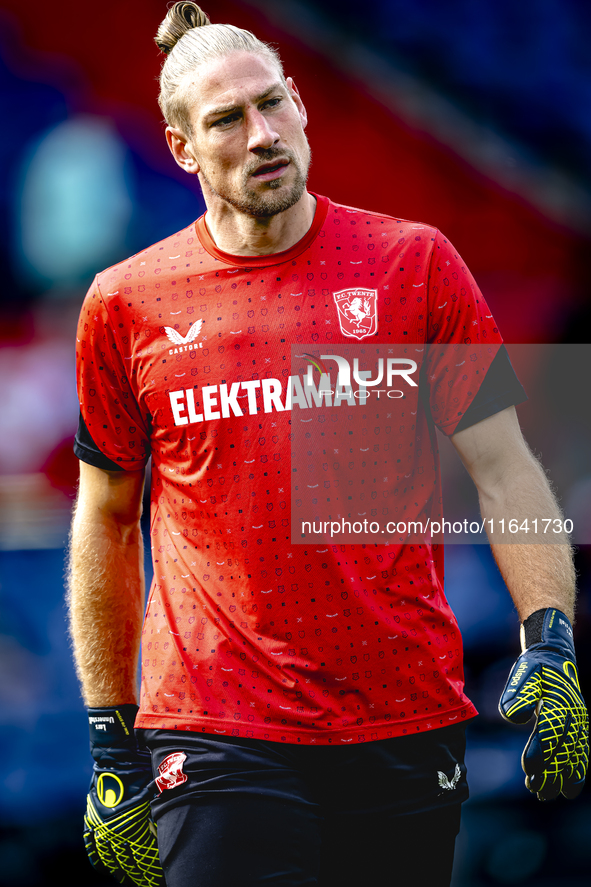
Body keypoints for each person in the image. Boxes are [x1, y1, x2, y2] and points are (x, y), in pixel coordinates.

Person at [68, 4, 588, 887]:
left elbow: (504, 470)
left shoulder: (413, 262)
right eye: (228, 120)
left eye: (272, 104)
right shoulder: (125, 303)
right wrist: (110, 735)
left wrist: (550, 642)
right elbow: (105, 520)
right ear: (182, 148)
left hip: (404, 717)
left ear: (301, 103)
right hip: (217, 730)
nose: (263, 134)